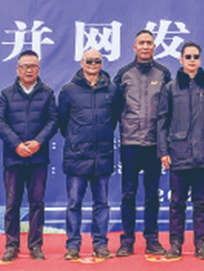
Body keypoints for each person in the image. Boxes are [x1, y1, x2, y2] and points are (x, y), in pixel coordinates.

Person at [157, 42, 204, 260]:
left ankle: (201, 245)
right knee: (177, 203)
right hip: (178, 152)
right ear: (181, 59)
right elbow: (162, 121)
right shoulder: (170, 88)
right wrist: (163, 150)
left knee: (201, 203)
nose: (192, 60)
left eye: (195, 56)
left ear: (200, 59)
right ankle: (175, 244)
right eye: (188, 56)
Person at [57, 48, 120, 261]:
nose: (93, 64)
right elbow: (63, 124)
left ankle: (100, 245)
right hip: (77, 156)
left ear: (102, 63)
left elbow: (114, 119)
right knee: (74, 204)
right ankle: (73, 245)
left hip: (102, 156)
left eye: (97, 61)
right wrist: (78, 138)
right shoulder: (69, 90)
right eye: (89, 60)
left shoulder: (112, 90)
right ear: (82, 62)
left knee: (101, 204)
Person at [0, 50, 58, 262]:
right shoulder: (6, 94)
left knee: (37, 203)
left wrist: (38, 141)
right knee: (12, 204)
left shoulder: (47, 93)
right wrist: (17, 144)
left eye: (33, 66)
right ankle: (11, 245)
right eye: (25, 66)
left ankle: (35, 245)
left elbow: (53, 121)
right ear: (17, 69)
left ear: (38, 69)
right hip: (14, 157)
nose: (29, 70)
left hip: (38, 158)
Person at [115, 29, 171, 257]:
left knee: (151, 194)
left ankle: (152, 239)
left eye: (149, 43)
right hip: (130, 142)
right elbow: (115, 107)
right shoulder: (124, 74)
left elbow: (168, 110)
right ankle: (127, 240)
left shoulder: (164, 73)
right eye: (141, 43)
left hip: (154, 144)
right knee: (128, 194)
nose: (145, 46)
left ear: (154, 47)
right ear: (134, 47)